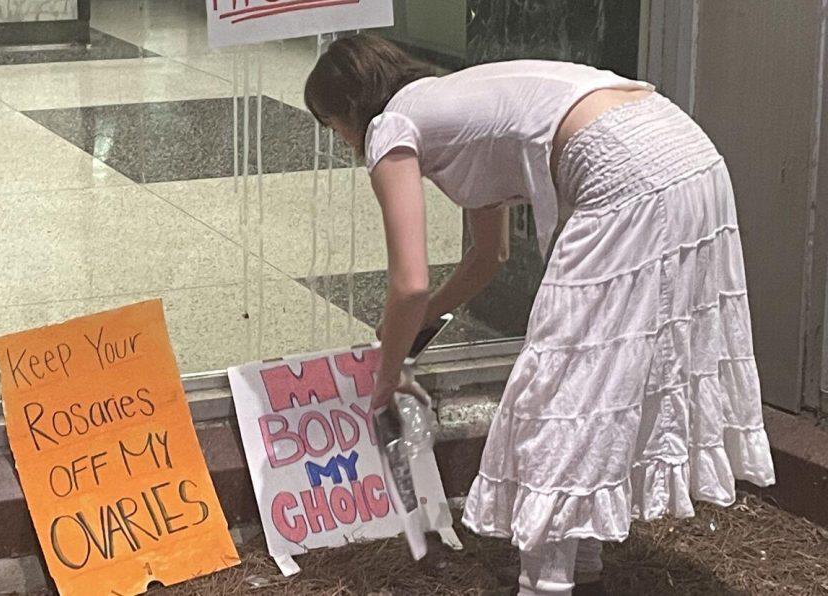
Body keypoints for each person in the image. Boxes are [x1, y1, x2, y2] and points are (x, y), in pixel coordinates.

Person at [304, 34, 776, 596]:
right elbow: (488, 257)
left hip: (623, 170)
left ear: (351, 108)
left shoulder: (390, 125)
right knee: (602, 377)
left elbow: (408, 282)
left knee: (559, 389)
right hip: (686, 151)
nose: (341, 141)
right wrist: (424, 321)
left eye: (332, 125)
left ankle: (545, 583)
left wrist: (388, 376)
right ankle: (582, 563)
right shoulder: (448, 105)